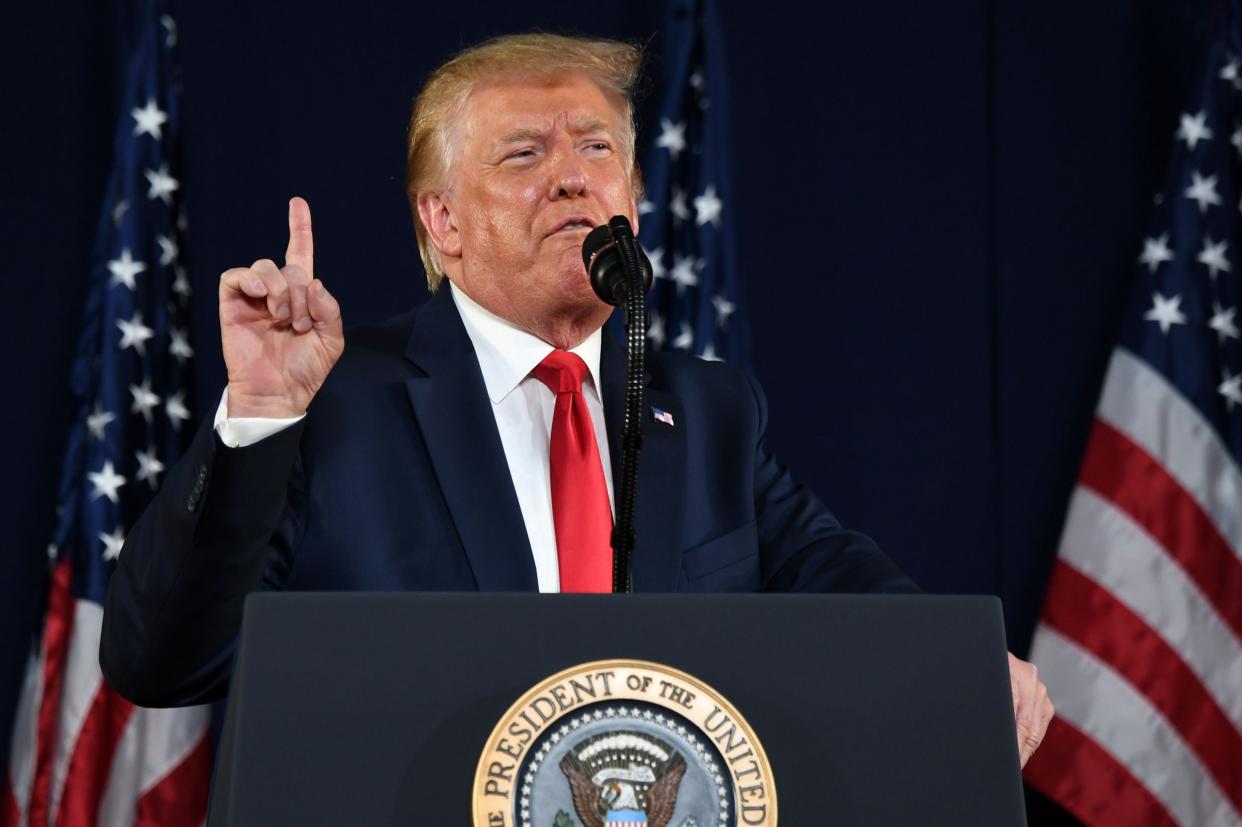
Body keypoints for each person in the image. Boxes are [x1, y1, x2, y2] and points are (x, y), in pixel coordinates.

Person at [100, 32, 1052, 765]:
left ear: (632, 201)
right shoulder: (335, 403)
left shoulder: (708, 411)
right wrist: (262, 415)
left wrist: (958, 663)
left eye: (596, 148)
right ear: (443, 221)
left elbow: (834, 575)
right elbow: (161, 660)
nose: (570, 176)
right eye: (522, 155)